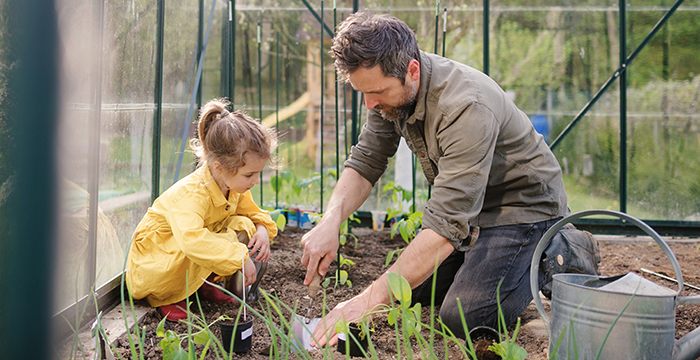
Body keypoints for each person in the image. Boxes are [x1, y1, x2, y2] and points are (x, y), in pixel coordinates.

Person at [300, 12, 598, 346]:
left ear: (411, 71)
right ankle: (488, 261)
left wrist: (362, 303)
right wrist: (330, 221)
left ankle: (559, 248)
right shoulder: (388, 92)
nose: (370, 103)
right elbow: (367, 160)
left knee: (463, 317)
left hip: (522, 208)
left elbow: (445, 227)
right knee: (410, 291)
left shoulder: (465, 106)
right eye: (363, 93)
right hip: (473, 208)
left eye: (377, 92)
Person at [126, 98, 278, 322]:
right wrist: (239, 257)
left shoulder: (232, 185)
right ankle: (168, 297)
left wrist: (262, 228)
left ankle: (202, 284)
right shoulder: (192, 195)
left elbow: (254, 214)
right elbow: (193, 241)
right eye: (249, 174)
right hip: (156, 265)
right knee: (200, 241)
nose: (255, 180)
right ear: (220, 167)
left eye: (258, 173)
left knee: (244, 223)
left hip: (185, 252)